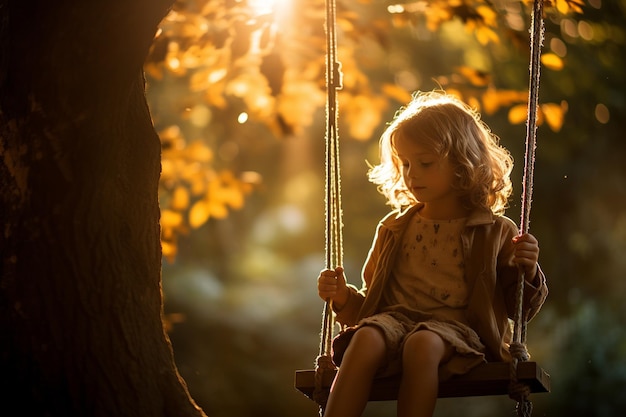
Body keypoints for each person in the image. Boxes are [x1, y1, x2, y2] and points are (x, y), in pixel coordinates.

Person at [317, 91, 548, 417]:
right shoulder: (394, 228)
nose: (412, 174)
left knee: (421, 344)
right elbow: (370, 306)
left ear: (462, 162)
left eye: (425, 163)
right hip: (392, 324)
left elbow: (519, 308)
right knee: (365, 337)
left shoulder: (495, 231)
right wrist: (342, 298)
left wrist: (529, 269)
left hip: (458, 332)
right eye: (406, 163)